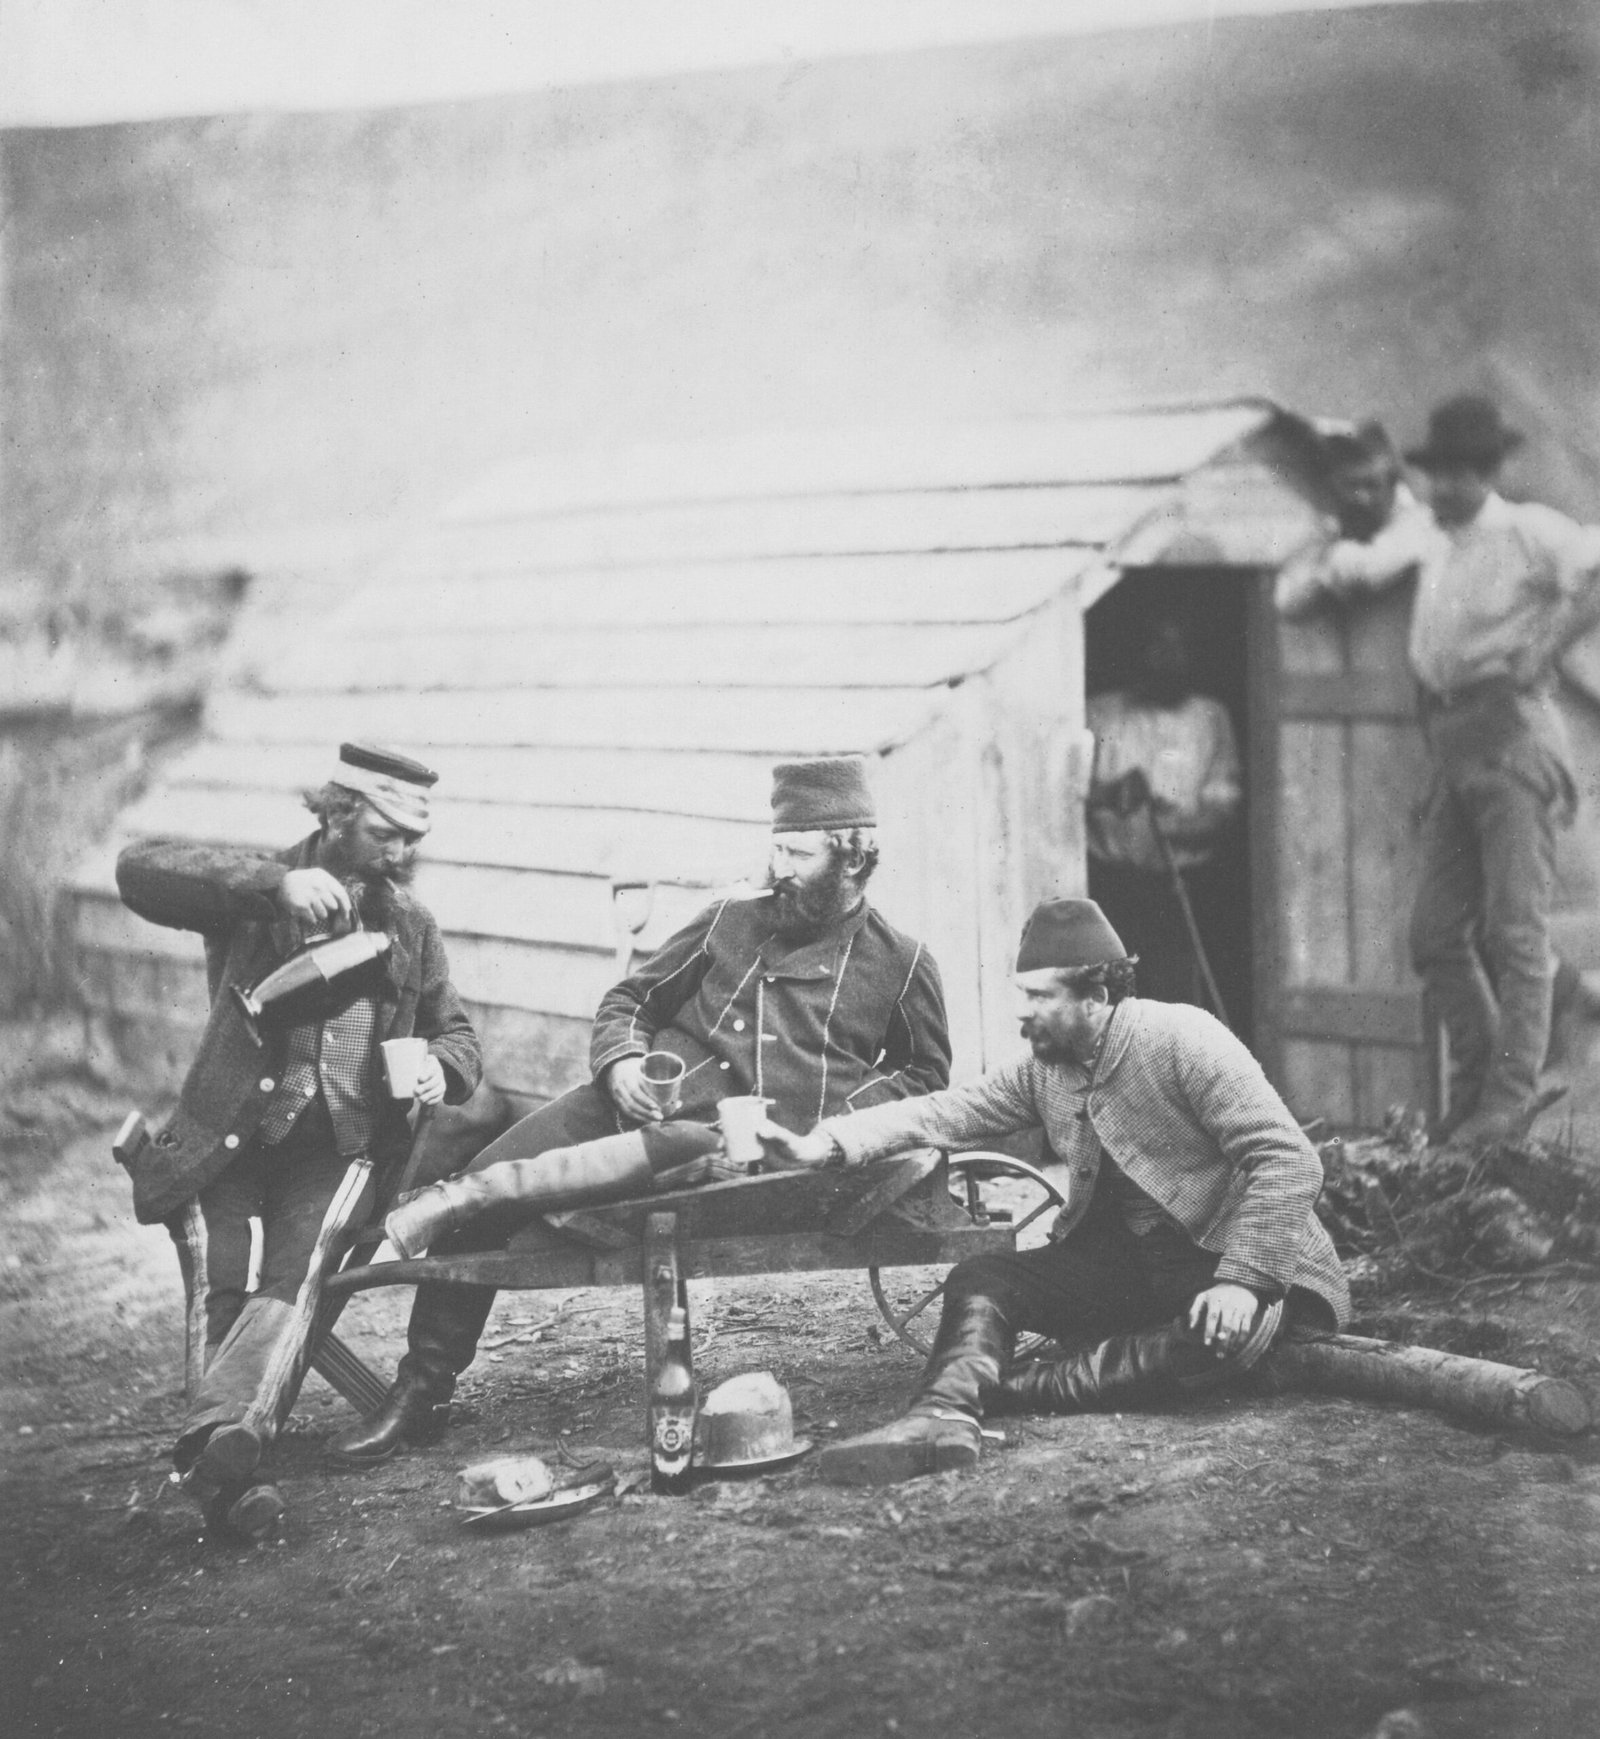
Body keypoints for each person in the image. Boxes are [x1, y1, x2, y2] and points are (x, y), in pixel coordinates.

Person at [331, 755, 952, 1466]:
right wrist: (622, 1061)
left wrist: (832, 1122)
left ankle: (420, 1327)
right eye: (776, 846)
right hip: (626, 1108)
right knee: (482, 1184)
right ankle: (423, 1391)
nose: (778, 866)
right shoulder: (731, 920)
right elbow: (631, 999)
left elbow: (925, 1074)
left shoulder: (901, 961)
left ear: (851, 856)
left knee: (521, 1203)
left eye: (798, 852)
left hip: (740, 1155)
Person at [761, 897, 1349, 1486]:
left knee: (1211, 1341)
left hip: (1237, 1267)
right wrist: (829, 1142)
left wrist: (1242, 1283)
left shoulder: (1185, 1040)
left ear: (1097, 997)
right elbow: (947, 1111)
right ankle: (942, 1415)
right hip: (1139, 1269)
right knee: (981, 1278)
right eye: (1023, 995)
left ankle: (993, 1392)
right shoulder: (1045, 1069)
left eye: (1040, 997)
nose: (1024, 1014)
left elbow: (1289, 1160)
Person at [114, 743, 482, 1539]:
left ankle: (221, 1457)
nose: (403, 852)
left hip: (342, 1152)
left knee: (298, 1271)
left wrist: (438, 1071)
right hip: (230, 1142)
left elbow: (459, 1036)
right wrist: (272, 885)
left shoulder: (410, 923)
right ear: (339, 813)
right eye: (387, 833)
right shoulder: (256, 891)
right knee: (230, 1281)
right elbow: (136, 870)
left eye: (414, 838)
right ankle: (232, 1466)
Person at [1278, 397, 1600, 1144]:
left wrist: (1550, 645)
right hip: (1451, 740)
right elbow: (1353, 573)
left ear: (1488, 472)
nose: (1446, 486)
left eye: (1462, 473)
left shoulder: (1526, 529)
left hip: (1511, 735)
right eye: (1439, 472)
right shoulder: (1435, 539)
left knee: (1513, 930)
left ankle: (1509, 1094)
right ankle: (1480, 1077)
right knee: (1433, 933)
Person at [1086, 612, 1243, 1012]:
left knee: (1178, 1007)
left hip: (1182, 890)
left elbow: (1224, 808)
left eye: (1179, 647)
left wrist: (1175, 825)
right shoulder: (1100, 713)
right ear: (1139, 652)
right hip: (1113, 890)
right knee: (1115, 1008)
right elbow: (1061, 793)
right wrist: (1111, 793)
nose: (1167, 659)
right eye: (1158, 646)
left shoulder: (1209, 717)